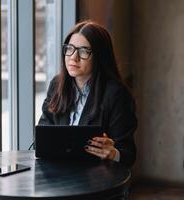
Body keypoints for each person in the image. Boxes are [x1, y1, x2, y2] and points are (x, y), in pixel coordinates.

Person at [38, 20, 137, 169]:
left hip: (97, 179)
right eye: (69, 49)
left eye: (84, 51)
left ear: (99, 56)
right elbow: (42, 133)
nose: (73, 57)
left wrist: (113, 153)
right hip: (57, 176)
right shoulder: (57, 85)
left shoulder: (116, 94)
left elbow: (128, 154)